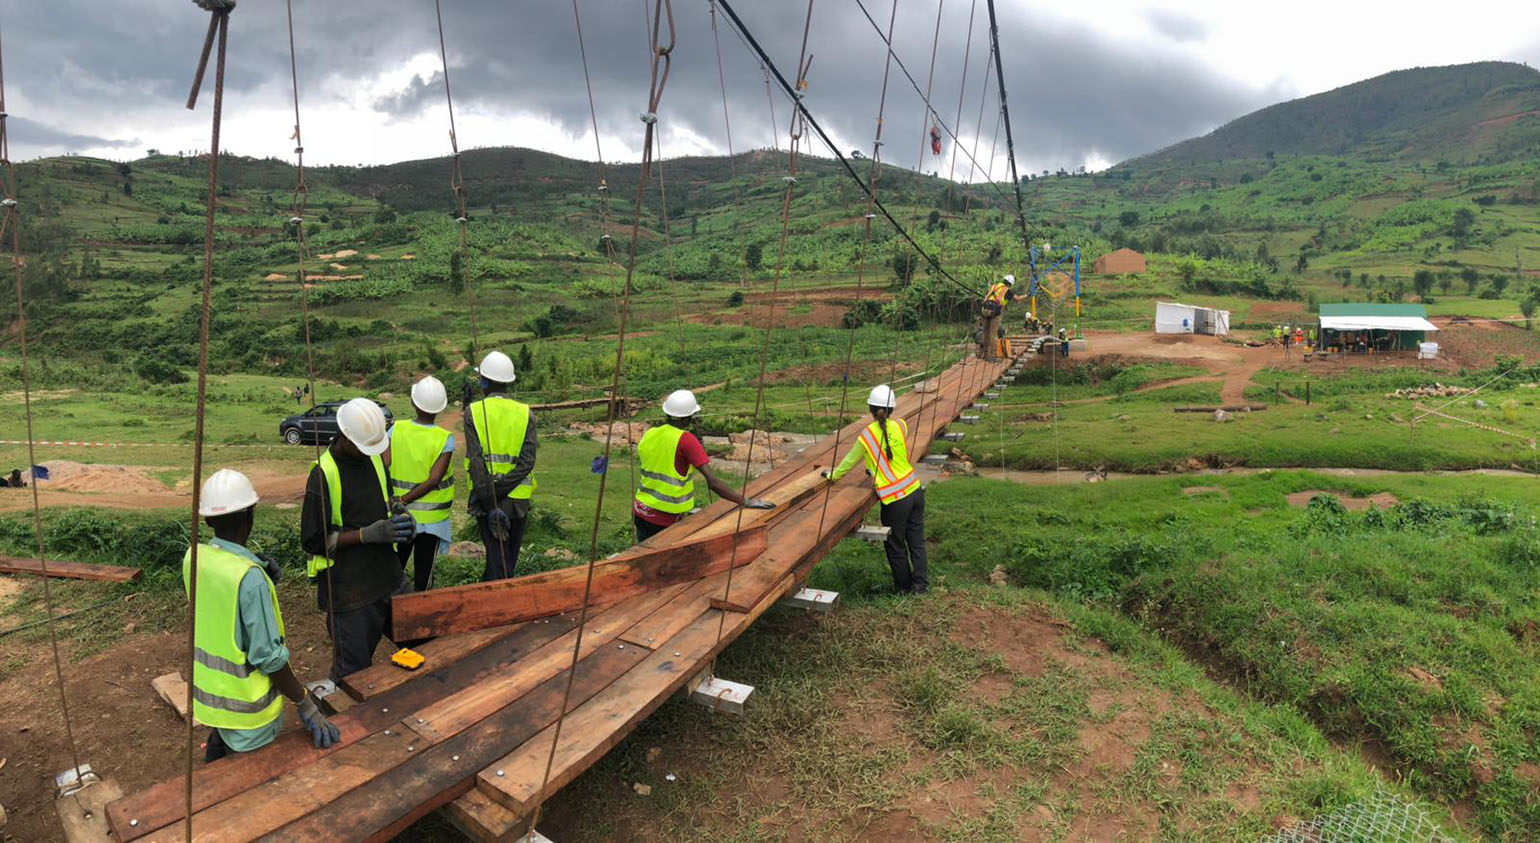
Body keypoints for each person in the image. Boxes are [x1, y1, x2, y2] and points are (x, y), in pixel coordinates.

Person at [186, 469, 339, 760]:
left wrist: (254, 565)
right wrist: (304, 702)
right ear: (250, 516)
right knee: (249, 788)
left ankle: (217, 750)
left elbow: (219, 600)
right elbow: (267, 657)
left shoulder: (194, 557)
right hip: (249, 714)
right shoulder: (250, 579)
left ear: (207, 520)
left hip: (212, 701)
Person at [300, 398, 413, 680]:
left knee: (424, 641)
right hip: (351, 592)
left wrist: (399, 511)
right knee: (354, 673)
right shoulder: (324, 473)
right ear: (345, 437)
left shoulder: (373, 459)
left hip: (389, 578)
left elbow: (387, 498)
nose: (368, 453)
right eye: (363, 448)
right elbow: (313, 541)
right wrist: (366, 535)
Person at [632, 389, 775, 543]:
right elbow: (713, 483)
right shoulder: (686, 440)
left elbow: (664, 460)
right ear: (687, 418)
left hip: (641, 511)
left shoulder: (650, 433)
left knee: (644, 558)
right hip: (665, 519)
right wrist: (746, 502)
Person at [823, 385, 927, 594]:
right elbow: (894, 453)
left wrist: (832, 475)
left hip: (896, 499)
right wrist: (874, 468)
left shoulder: (866, 436)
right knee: (916, 541)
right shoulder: (900, 425)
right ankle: (922, 587)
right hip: (915, 490)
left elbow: (848, 463)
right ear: (891, 409)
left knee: (895, 545)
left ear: (870, 409)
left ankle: (904, 589)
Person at [464, 350, 537, 581]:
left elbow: (476, 462)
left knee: (497, 560)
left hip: (486, 498)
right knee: (509, 558)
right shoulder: (526, 413)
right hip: (518, 500)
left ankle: (498, 605)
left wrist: (490, 499)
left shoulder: (473, 412)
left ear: (484, 381)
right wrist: (502, 490)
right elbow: (527, 462)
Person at [390, 376, 455, 592]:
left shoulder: (395, 430)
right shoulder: (445, 438)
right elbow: (434, 479)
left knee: (393, 567)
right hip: (431, 520)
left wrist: (399, 500)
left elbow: (383, 464)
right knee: (423, 574)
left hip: (400, 515)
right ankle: (419, 613)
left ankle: (387, 611)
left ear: (413, 401)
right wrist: (405, 499)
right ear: (440, 408)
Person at [979, 274, 1014, 360]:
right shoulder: (1008, 291)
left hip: (984, 309)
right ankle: (992, 356)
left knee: (985, 332)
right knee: (993, 334)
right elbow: (1017, 298)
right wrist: (1027, 295)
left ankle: (984, 354)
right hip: (995, 311)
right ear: (1010, 284)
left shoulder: (994, 286)